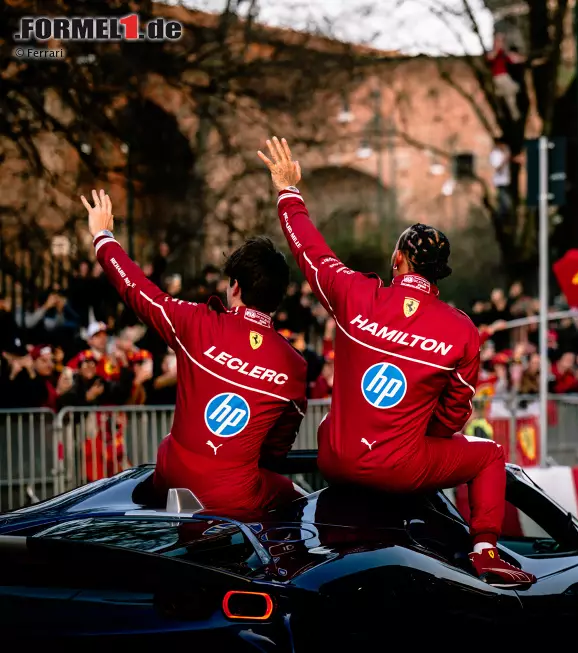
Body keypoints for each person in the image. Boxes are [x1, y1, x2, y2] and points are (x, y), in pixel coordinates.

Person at [259, 136, 535, 587]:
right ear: (438, 273)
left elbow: (310, 251)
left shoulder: (356, 294)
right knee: (491, 455)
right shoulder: (462, 329)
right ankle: (485, 551)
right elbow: (453, 417)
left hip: (337, 457)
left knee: (333, 421)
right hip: (403, 468)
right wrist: (416, 434)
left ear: (398, 259)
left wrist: (288, 191)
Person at [79, 189, 308, 517]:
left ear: (235, 287)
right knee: (301, 499)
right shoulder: (295, 364)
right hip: (235, 497)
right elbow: (276, 450)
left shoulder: (197, 322)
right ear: (278, 297)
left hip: (171, 479)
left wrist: (103, 236)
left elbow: (137, 290)